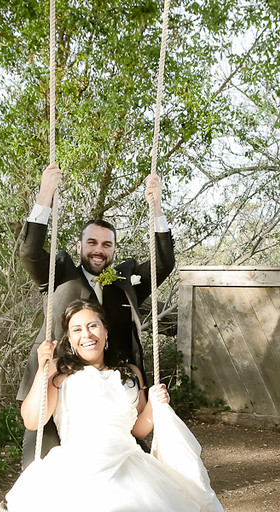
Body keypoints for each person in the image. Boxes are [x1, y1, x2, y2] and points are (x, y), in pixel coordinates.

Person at [5, 300, 264, 512]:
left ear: (106, 331)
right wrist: (42, 368)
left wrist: (157, 406)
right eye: (77, 330)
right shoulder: (59, 377)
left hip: (128, 462)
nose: (87, 335)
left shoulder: (129, 375)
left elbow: (138, 429)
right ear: (68, 338)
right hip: (79, 466)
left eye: (93, 326)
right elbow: (32, 420)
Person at [16, 164, 176, 469]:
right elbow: (29, 253)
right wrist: (46, 192)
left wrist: (156, 206)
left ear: (114, 250)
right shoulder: (59, 273)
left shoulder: (125, 284)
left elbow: (163, 264)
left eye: (106, 244)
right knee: (40, 464)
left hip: (115, 387)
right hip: (62, 385)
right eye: (91, 243)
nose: (98, 250)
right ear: (79, 246)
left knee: (132, 465)